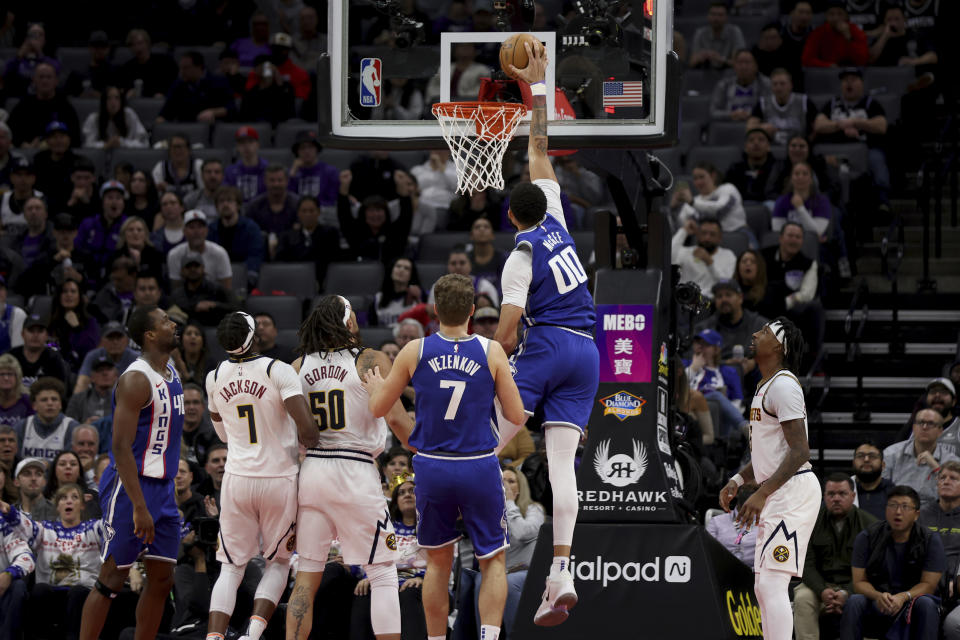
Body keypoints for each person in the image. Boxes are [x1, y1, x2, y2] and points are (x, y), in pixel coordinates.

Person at [488, 47, 600, 628]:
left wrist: (480, 357)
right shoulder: (555, 212)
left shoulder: (519, 257)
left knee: (485, 439)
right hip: (588, 352)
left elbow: (507, 335)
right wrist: (535, 89)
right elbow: (538, 148)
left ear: (511, 217)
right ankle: (562, 573)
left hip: (550, 346)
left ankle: (484, 537)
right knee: (561, 469)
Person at [364, 274, 525, 640]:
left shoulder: (414, 350)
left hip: (432, 466)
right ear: (471, 311)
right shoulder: (490, 351)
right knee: (492, 559)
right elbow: (517, 416)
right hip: (478, 465)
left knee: (437, 562)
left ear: (435, 311)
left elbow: (381, 409)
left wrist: (376, 387)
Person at [285, 295, 414, 640]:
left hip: (312, 471)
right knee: (383, 572)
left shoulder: (298, 367)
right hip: (355, 470)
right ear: (349, 322)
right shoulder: (370, 360)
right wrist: (426, 447)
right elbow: (399, 421)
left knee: (307, 576)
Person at [203, 311, 318, 640]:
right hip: (278, 478)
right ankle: (252, 635)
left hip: (236, 478)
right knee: (279, 561)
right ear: (254, 336)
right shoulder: (276, 369)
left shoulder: (214, 377)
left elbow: (223, 436)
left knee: (230, 565)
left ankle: (214, 637)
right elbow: (309, 433)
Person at [77, 305, 184, 640]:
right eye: (166, 321)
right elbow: (120, 448)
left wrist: (168, 494)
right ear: (150, 334)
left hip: (163, 488)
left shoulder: (172, 371)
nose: (174, 324)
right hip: (130, 488)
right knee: (112, 579)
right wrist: (139, 506)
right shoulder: (136, 379)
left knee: (162, 578)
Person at [719, 317, 820, 640]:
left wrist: (762, 494)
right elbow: (769, 454)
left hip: (793, 491)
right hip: (779, 489)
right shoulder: (766, 385)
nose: (754, 334)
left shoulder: (785, 385)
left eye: (763, 332)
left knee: (772, 583)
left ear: (779, 346)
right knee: (763, 585)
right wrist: (738, 479)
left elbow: (800, 451)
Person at [0, 483, 104, 639]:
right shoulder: (45, 529)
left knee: (78, 592)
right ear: (57, 506)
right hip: (51, 593)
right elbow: (27, 528)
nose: (68, 501)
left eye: (74, 497)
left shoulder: (93, 528)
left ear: (82, 505)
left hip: (83, 596)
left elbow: (111, 528)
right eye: (63, 498)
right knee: (39, 589)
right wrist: (9, 511)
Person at [839, 486, 943, 640]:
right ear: (886, 509)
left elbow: (929, 584)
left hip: (912, 600)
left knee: (927, 604)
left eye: (905, 506)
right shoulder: (867, 537)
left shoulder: (930, 540)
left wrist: (904, 596)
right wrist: (878, 596)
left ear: (916, 514)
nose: (898, 512)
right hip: (879, 599)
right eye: (893, 505)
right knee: (855, 601)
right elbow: (859, 582)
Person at [794, 473, 877, 640]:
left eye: (842, 494)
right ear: (824, 496)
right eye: (831, 494)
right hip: (819, 585)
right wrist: (822, 590)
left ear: (853, 496)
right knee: (803, 597)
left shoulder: (871, 525)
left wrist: (847, 592)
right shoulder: (810, 522)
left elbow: (874, 569)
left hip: (856, 586)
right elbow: (806, 565)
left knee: (864, 598)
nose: (836, 499)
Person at [352, 472, 428, 639]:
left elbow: (444, 565)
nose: (407, 494)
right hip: (383, 580)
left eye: (412, 491)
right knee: (363, 591)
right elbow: (373, 556)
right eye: (401, 492)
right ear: (395, 501)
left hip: (421, 583)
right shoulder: (387, 528)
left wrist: (423, 578)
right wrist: (368, 576)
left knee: (410, 592)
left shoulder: (431, 527)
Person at [812, 68, 890, 207]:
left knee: (876, 159)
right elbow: (818, 125)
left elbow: (881, 126)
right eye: (845, 81)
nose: (849, 84)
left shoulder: (871, 103)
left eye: (853, 80)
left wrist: (856, 122)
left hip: (866, 148)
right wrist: (840, 125)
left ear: (862, 83)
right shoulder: (831, 104)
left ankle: (882, 201)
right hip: (835, 149)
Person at [500, 466, 545, 636]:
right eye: (502, 481)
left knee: (510, 583)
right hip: (498, 572)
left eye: (510, 481)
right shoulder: (491, 512)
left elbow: (522, 533)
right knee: (477, 581)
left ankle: (514, 636)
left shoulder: (534, 509)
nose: (505, 486)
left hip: (525, 571)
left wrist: (509, 503)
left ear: (520, 487)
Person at [883, 409, 958, 508]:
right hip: (899, 511)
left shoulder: (951, 460)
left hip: (936, 515)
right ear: (914, 427)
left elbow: (955, 494)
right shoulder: (891, 454)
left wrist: (937, 468)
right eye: (920, 422)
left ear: (940, 431)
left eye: (931, 423)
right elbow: (881, 490)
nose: (925, 427)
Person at [920, 462, 960, 638]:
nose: (946, 481)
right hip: (927, 584)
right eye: (942, 477)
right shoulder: (921, 515)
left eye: (953, 478)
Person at [7, 63, 80, 148]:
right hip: (27, 152)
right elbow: (10, 133)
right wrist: (22, 144)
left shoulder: (65, 107)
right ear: (34, 80)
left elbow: (75, 138)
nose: (45, 80)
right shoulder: (23, 105)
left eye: (49, 77)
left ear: (56, 81)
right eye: (41, 77)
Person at [274, 195, 341, 284]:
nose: (308, 214)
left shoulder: (330, 234)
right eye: (304, 211)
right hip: (294, 280)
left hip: (324, 281)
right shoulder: (287, 237)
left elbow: (333, 260)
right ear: (298, 213)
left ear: (319, 212)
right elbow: (280, 263)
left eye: (311, 211)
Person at [208, 185, 265, 289]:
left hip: (244, 278)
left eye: (229, 201)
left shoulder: (251, 228)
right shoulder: (211, 229)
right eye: (221, 201)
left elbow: (255, 255)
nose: (225, 204)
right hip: (217, 279)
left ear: (238, 205)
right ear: (216, 206)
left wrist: (245, 277)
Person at [673, 163, 750, 237]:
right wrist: (674, 207)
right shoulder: (693, 201)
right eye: (695, 178)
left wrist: (692, 202)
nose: (698, 182)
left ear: (713, 176)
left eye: (701, 177)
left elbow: (718, 208)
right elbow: (681, 222)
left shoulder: (728, 189)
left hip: (738, 234)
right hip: (710, 241)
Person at [12, 377, 78, 464]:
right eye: (44, 400)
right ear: (34, 405)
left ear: (60, 404)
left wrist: (48, 466)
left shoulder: (72, 428)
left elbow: (72, 463)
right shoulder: (22, 427)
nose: (50, 403)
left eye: (54, 399)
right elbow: (14, 461)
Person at [0, 464, 32, 640]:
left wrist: (9, 574)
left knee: (18, 586)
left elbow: (26, 556)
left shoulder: (5, 522)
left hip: (1, 586)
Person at [157, 51, 234, 124]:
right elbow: (166, 112)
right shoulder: (178, 85)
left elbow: (231, 108)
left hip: (212, 127)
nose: (181, 72)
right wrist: (159, 121)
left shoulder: (218, 82)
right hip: (184, 129)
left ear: (199, 67)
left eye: (186, 68)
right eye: (181, 68)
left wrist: (213, 112)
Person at [671, 218, 737, 300]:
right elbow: (668, 257)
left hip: (712, 303)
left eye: (712, 234)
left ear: (719, 238)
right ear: (697, 235)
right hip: (685, 300)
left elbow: (726, 283)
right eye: (703, 233)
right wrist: (684, 231)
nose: (707, 238)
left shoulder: (728, 255)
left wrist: (709, 262)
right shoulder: (686, 252)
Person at [167, 210, 233, 291]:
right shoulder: (174, 255)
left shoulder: (220, 253)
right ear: (184, 231)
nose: (196, 231)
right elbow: (176, 290)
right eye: (191, 227)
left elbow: (226, 289)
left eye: (200, 227)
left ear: (207, 230)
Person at [171, 251, 239, 327]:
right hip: (188, 332)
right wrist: (196, 306)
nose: (193, 269)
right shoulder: (178, 294)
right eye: (188, 266)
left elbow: (234, 307)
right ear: (182, 271)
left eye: (196, 265)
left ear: (203, 268)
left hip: (215, 329)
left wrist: (214, 305)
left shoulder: (216, 288)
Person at [73, 321, 138, 395]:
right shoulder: (93, 356)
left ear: (127, 340)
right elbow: (82, 383)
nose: (115, 342)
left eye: (119, 337)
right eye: (110, 338)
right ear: (101, 341)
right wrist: (76, 404)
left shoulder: (136, 358)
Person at [802, 1, 869, 68]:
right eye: (831, 14)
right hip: (827, 72)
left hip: (851, 72)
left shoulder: (855, 31)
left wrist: (848, 37)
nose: (835, 18)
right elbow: (807, 59)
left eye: (840, 14)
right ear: (826, 16)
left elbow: (862, 61)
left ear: (846, 16)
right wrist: (828, 65)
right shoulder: (818, 32)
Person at [772, 162, 831, 238]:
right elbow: (777, 231)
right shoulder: (782, 201)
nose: (800, 177)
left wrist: (800, 208)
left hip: (813, 244)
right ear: (791, 179)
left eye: (805, 174)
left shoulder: (822, 201)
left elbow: (817, 232)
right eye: (796, 174)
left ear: (811, 179)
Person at [726, 128, 785, 204]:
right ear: (745, 148)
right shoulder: (735, 168)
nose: (756, 143)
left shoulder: (778, 168)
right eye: (751, 140)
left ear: (768, 147)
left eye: (761, 140)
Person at [710, 50, 772, 122]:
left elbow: (771, 111)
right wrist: (730, 115)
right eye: (740, 62)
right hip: (730, 127)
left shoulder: (765, 84)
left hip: (756, 127)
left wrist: (753, 115)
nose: (743, 67)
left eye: (747, 62)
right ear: (734, 66)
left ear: (756, 66)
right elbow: (713, 112)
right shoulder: (724, 85)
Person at [116, 29, 178, 99]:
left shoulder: (165, 62)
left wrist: (164, 94)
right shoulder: (127, 68)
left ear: (148, 43)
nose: (138, 48)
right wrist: (127, 92)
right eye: (133, 45)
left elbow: (173, 84)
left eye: (140, 43)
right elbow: (122, 88)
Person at [81, 86, 149, 149]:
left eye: (117, 98)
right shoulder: (94, 118)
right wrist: (105, 145)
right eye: (109, 98)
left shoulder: (129, 115)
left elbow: (144, 143)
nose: (113, 102)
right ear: (103, 101)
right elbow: (87, 145)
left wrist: (122, 143)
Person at [245, 164, 299, 241]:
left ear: (287, 181)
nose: (276, 184)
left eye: (280, 180)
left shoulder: (298, 205)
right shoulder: (254, 206)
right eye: (272, 180)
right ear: (265, 181)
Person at [690, 2, 746, 70]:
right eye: (713, 14)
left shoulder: (735, 32)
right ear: (708, 16)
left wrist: (719, 58)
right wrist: (702, 57)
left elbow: (739, 63)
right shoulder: (700, 33)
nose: (716, 18)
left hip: (729, 73)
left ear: (726, 17)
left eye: (720, 15)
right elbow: (692, 63)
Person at [288, 131, 339, 205]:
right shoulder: (292, 173)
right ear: (297, 152)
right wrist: (292, 175)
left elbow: (332, 200)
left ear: (317, 149)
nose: (307, 151)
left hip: (324, 212)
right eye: (302, 148)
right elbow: (288, 200)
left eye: (310, 147)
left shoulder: (330, 172)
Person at [66, 356, 117, 424]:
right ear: (92, 377)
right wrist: (84, 427)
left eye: (108, 369)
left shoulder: (122, 399)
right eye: (100, 370)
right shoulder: (78, 399)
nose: (105, 373)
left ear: (116, 376)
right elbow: (68, 427)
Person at [224, 127, 268, 204]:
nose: (246, 146)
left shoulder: (268, 170)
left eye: (250, 142)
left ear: (257, 145)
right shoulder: (230, 171)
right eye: (242, 143)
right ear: (237, 147)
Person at [152, 134, 204, 199]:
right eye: (174, 147)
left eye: (180, 147)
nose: (177, 151)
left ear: (189, 150)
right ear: (169, 150)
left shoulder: (198, 165)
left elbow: (204, 191)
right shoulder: (160, 167)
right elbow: (157, 195)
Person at [852, 440, 894, 521]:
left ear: (883, 465)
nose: (866, 459)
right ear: (853, 463)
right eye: (861, 456)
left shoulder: (894, 493)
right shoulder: (843, 491)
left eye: (872, 456)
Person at [12, 457, 55, 521]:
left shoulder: (57, 512)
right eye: (27, 474)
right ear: (16, 482)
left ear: (44, 481)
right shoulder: (10, 513)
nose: (33, 478)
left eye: (38, 474)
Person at [0, 356, 31, 428]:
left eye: (10, 374)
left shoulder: (27, 401)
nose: (6, 378)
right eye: (1, 374)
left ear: (17, 377)